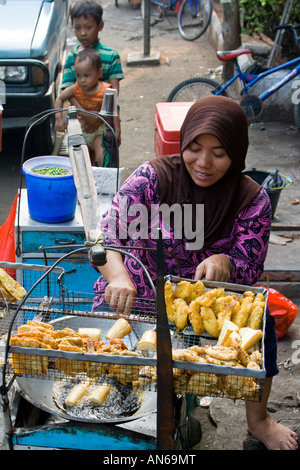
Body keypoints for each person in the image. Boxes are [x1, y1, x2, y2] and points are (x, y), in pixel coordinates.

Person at [91, 96, 298, 450]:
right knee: (110, 360)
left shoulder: (252, 200)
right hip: (140, 290)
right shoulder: (152, 179)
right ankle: (111, 408)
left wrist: (226, 261)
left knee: (260, 325)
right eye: (194, 148)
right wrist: (117, 276)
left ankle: (259, 420)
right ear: (183, 143)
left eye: (218, 153)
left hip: (207, 304)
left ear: (237, 152)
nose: (203, 163)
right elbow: (105, 239)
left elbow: (249, 268)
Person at [61, 0, 124, 134]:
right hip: (80, 121)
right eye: (78, 28)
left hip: (107, 119)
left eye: (88, 27)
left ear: (100, 26)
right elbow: (68, 92)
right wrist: (86, 115)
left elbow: (113, 93)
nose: (83, 33)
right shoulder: (72, 57)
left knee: (104, 154)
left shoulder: (111, 56)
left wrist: (99, 117)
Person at [55, 48, 121, 166]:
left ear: (99, 73)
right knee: (82, 163)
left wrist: (117, 132)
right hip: (81, 130)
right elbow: (59, 99)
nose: (82, 80)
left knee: (102, 157)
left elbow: (113, 110)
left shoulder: (105, 90)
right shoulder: (76, 88)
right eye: (78, 75)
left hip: (98, 131)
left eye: (86, 75)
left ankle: (100, 179)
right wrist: (58, 119)